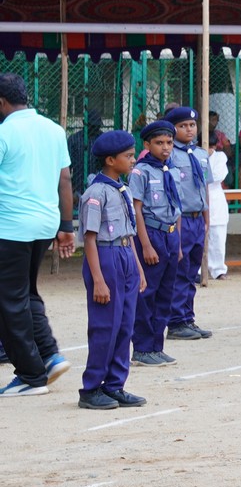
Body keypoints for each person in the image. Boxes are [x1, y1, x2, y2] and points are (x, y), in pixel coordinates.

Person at [0, 73, 72, 396]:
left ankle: (31, 375)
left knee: (9, 302)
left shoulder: (4, 132)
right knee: (26, 293)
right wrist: (66, 227)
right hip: (44, 224)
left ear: (1, 102)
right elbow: (65, 181)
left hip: (11, 227)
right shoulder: (54, 130)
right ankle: (50, 354)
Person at [77, 130, 148, 411]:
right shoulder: (95, 194)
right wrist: (98, 280)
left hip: (125, 255)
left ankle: (115, 384)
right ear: (110, 159)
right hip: (105, 258)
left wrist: (139, 270)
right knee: (105, 325)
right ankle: (91, 388)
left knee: (125, 324)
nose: (133, 160)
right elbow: (90, 239)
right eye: (128, 156)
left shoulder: (123, 189)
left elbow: (128, 234)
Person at [127, 120, 182, 368]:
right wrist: (146, 245)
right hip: (151, 233)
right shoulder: (141, 172)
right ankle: (142, 347)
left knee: (165, 293)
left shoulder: (171, 169)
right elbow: (136, 210)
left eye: (169, 142)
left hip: (170, 235)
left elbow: (176, 207)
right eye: (159, 143)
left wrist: (178, 243)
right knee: (147, 293)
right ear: (147, 145)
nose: (166, 147)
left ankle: (156, 346)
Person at [163, 106, 211, 333]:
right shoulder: (169, 154)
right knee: (179, 269)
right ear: (173, 129)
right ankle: (175, 321)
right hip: (180, 219)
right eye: (183, 126)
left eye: (192, 125)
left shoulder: (201, 155)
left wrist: (206, 216)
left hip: (197, 219)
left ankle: (187, 317)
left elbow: (205, 188)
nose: (189, 129)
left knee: (192, 271)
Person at [203, 135, 230, 281]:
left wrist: (204, 176)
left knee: (218, 236)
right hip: (200, 197)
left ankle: (218, 269)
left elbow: (219, 175)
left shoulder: (220, 157)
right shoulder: (195, 155)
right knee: (200, 235)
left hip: (215, 197)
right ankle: (200, 270)